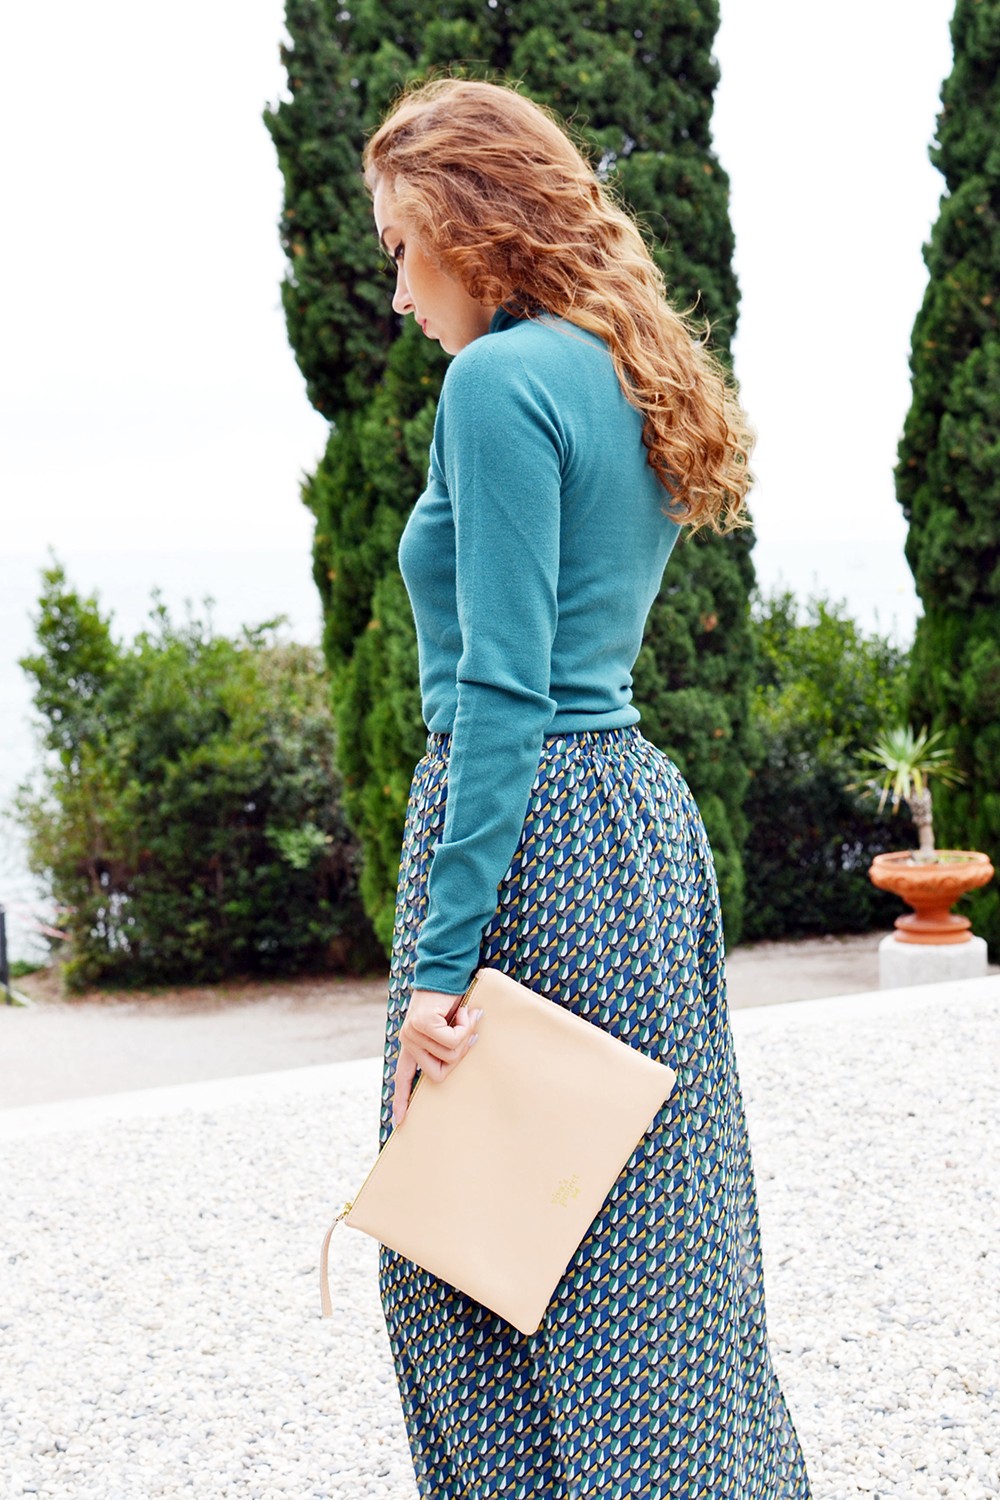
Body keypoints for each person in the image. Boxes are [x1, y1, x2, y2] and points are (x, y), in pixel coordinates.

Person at [363, 76, 812, 1499]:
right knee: (648, 1252)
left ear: (465, 221)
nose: (397, 293)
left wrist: (439, 966)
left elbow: (502, 692)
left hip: (524, 834)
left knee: (474, 1245)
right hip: (632, 825)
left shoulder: (496, 383)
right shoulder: (620, 363)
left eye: (400, 249)